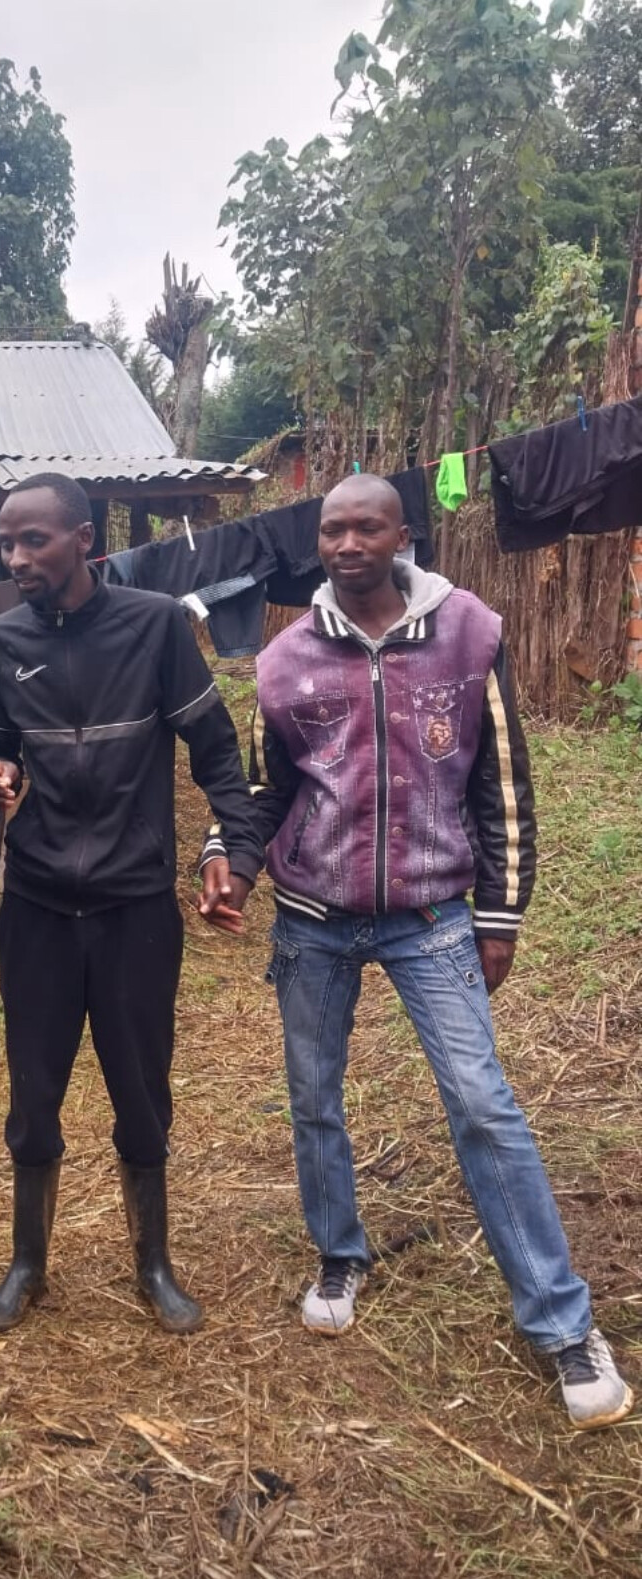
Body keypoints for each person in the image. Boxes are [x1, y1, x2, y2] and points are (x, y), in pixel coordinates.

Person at [245, 471, 632, 1430]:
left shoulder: (470, 634)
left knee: (483, 1104)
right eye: (332, 530)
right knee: (314, 1097)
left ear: (402, 535)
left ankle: (563, 1322)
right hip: (313, 917)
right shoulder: (284, 660)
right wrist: (229, 859)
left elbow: (501, 783)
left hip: (432, 917)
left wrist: (500, 914)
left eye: (366, 527)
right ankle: (339, 1253)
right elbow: (268, 791)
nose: (347, 544)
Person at [0, 473, 263, 1335]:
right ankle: (28, 1264)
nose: (17, 557)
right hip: (37, 906)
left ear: (84, 539)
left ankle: (154, 1264)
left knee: (140, 1089)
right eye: (6, 543)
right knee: (33, 1091)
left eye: (34, 540)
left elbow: (216, 751)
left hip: (135, 904)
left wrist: (236, 851)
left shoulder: (155, 625)